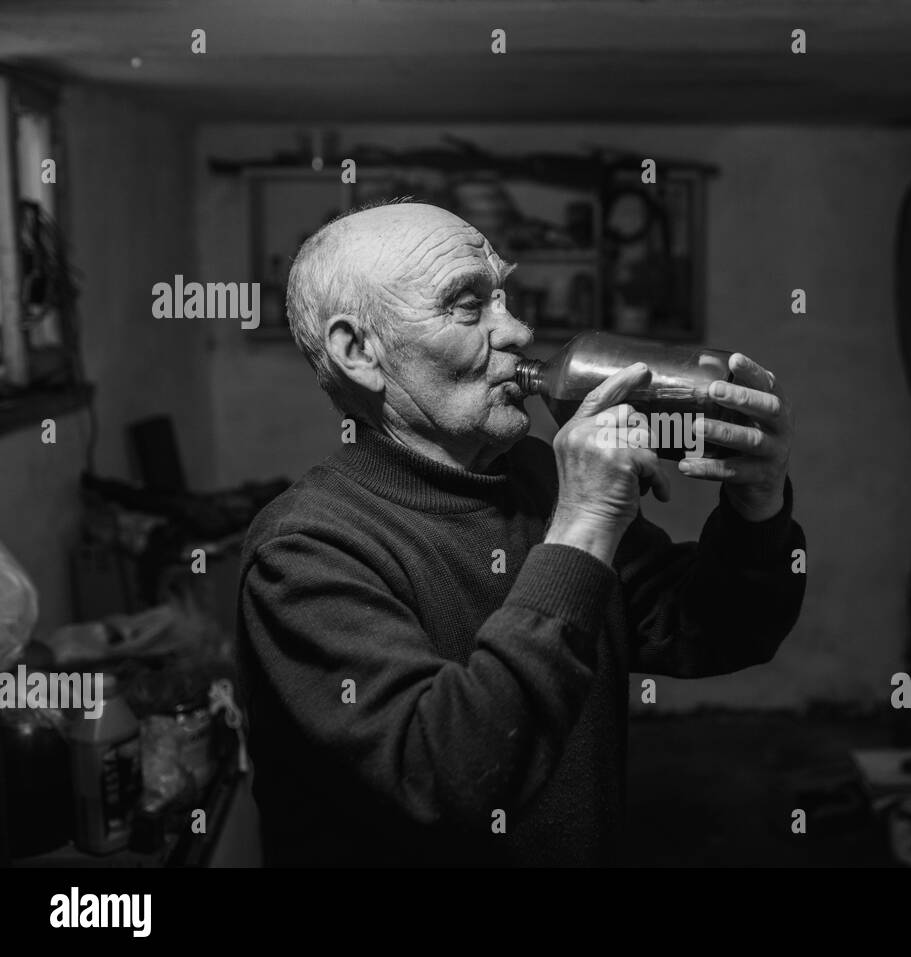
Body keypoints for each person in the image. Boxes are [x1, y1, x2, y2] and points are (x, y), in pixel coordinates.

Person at [235, 200, 806, 865]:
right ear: (360, 351)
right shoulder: (304, 550)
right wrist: (584, 524)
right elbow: (446, 780)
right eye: (469, 306)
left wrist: (757, 505)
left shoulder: (536, 475)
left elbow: (721, 629)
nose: (519, 329)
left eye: (506, 298)